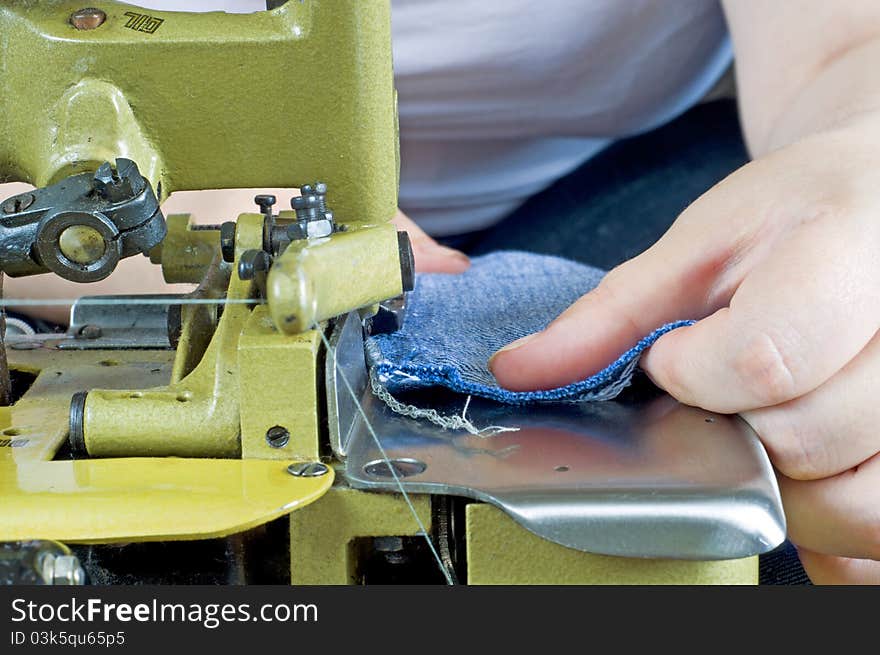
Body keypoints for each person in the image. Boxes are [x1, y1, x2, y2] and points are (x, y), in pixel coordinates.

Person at [5, 1, 880, 584]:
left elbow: (844, 46)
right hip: (88, 227)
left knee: (768, 516)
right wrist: (151, 222)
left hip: (603, 174)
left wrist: (858, 161)